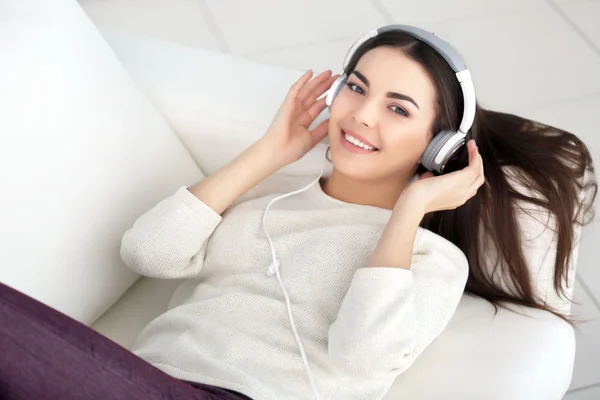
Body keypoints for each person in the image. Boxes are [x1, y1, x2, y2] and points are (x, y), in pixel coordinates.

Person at [0, 25, 597, 400]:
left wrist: (411, 206)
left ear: (438, 145)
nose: (362, 115)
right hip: (137, 378)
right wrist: (269, 152)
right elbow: (147, 254)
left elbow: (362, 359)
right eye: (357, 88)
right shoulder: (261, 205)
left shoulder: (427, 257)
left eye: (398, 108)